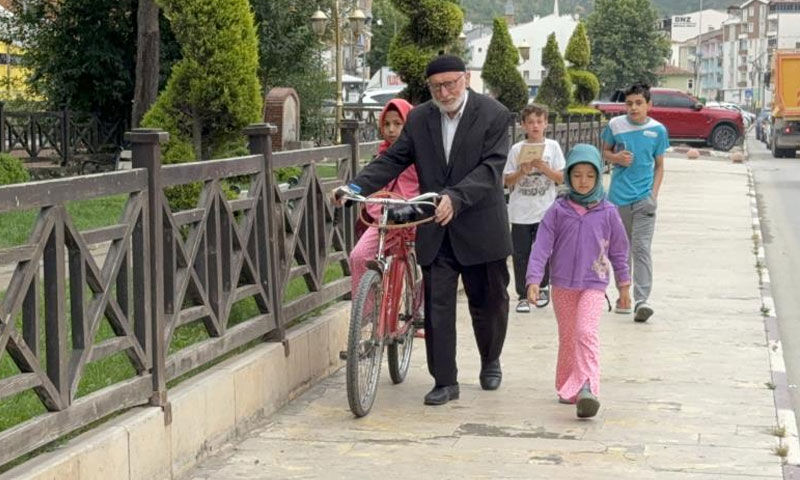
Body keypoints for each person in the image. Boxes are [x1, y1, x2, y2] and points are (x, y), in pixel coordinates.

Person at [334, 54, 512, 406]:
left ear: (465, 80)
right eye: (436, 87)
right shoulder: (419, 119)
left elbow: (491, 168)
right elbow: (393, 158)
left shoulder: (494, 114)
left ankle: (490, 358)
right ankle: (445, 380)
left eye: (451, 84)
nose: (444, 92)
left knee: (489, 302)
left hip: (480, 224)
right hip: (435, 226)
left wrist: (456, 197)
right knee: (438, 305)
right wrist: (356, 187)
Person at [526, 143, 630, 419]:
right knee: (569, 337)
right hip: (563, 284)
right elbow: (541, 247)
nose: (583, 181)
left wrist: (624, 285)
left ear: (598, 176)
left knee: (585, 333)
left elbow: (620, 251)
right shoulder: (558, 210)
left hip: (594, 284)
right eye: (578, 175)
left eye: (590, 175)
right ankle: (567, 386)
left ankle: (587, 389)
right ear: (569, 175)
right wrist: (534, 280)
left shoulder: (608, 211)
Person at [601, 82, 668, 323]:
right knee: (620, 251)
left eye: (639, 103)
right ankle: (623, 296)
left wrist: (653, 195)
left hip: (644, 200)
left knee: (641, 248)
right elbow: (604, 152)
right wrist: (616, 157)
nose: (633, 108)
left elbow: (660, 166)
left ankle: (642, 300)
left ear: (649, 105)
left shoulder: (658, 130)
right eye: (629, 103)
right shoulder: (615, 125)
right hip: (618, 198)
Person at [503, 103, 565, 313]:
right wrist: (522, 171)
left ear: (546, 124)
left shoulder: (553, 147)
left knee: (544, 250)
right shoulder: (516, 149)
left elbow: (560, 178)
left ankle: (541, 285)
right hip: (520, 212)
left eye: (539, 121)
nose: (535, 126)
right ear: (523, 126)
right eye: (530, 122)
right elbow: (507, 181)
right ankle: (523, 293)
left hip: (545, 211)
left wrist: (544, 168)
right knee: (520, 254)